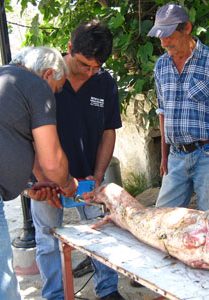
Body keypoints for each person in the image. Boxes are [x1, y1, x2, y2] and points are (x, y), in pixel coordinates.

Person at [31, 20, 123, 300]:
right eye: (85, 65)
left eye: (97, 66)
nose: (91, 72)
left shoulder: (104, 82)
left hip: (88, 179)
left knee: (103, 234)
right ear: (69, 49)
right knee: (48, 239)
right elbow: (29, 136)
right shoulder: (45, 77)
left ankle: (108, 290)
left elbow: (109, 131)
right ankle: (54, 295)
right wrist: (42, 181)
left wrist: (98, 175)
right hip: (47, 178)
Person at [147, 4, 209, 212]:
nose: (164, 42)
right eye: (160, 37)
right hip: (175, 157)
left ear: (187, 28)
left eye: (169, 35)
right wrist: (164, 156)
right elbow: (163, 112)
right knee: (162, 220)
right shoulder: (161, 66)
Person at [0, 46, 78, 300]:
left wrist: (28, 186)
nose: (54, 96)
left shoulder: (6, 78)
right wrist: (67, 183)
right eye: (56, 89)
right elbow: (52, 161)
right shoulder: (36, 85)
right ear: (47, 74)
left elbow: (14, 144)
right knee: (4, 286)